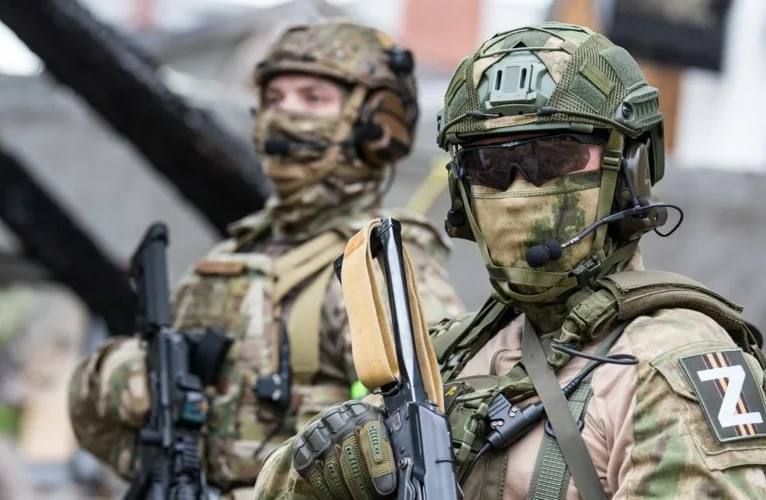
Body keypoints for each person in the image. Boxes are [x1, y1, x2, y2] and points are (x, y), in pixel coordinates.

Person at [253, 22, 766, 499]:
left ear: (629, 170)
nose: (519, 190)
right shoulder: (452, 353)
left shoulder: (675, 363)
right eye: (490, 164)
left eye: (555, 158)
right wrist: (316, 473)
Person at [67, 22, 462, 498]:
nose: (285, 112)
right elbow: (118, 433)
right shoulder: (232, 257)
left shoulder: (375, 261)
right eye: (274, 98)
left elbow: (432, 429)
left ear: (377, 124)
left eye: (313, 98)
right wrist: (116, 378)